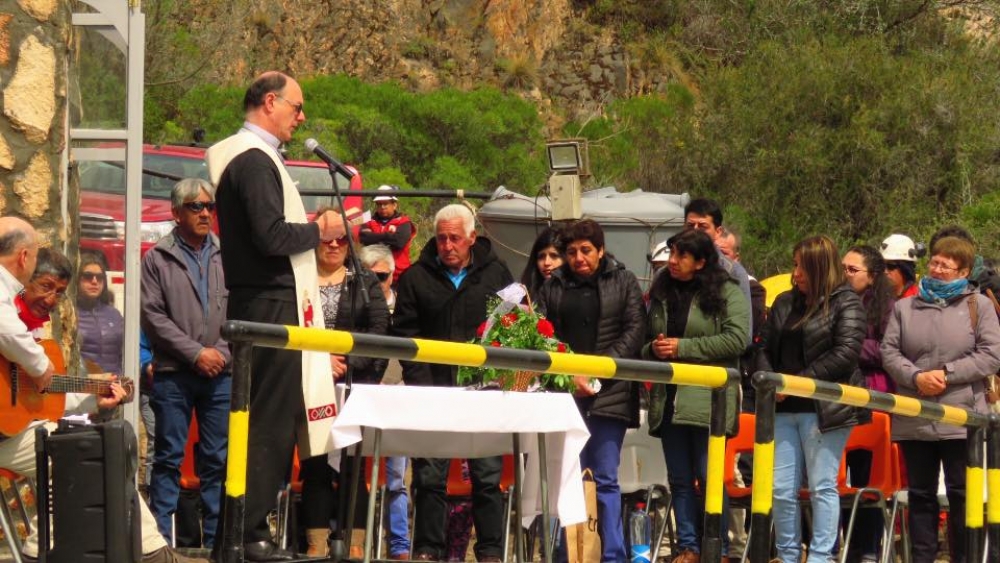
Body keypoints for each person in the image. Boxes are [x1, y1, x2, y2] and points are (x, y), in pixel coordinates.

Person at [0, 224, 205, 563]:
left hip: (11, 434)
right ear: (24, 270)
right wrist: (39, 366)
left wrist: (96, 396)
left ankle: (147, 550)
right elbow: (11, 337)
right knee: (77, 451)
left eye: (59, 292)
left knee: (95, 447)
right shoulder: (10, 312)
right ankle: (150, 555)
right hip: (8, 438)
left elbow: (43, 401)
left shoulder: (37, 333)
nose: (50, 299)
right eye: (44, 286)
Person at [205, 71, 345, 562]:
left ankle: (240, 530)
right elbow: (269, 236)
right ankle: (246, 533)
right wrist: (319, 229)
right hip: (269, 302)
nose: (301, 116)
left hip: (265, 301)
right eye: (296, 106)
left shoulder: (249, 158)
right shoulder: (252, 159)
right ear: (270, 102)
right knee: (268, 422)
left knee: (266, 419)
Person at [392, 204, 514, 562]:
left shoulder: (496, 273)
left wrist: (493, 379)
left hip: (484, 391)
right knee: (429, 476)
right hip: (433, 391)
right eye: (442, 238)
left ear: (472, 238)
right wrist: (423, 387)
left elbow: (510, 328)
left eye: (455, 238)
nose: (447, 246)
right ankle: (428, 549)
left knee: (488, 476)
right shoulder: (416, 277)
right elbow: (405, 334)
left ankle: (490, 551)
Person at [881, 236, 1000, 563]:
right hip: (914, 413)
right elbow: (888, 352)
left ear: (962, 271)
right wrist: (916, 376)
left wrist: (946, 374)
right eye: (934, 262)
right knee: (920, 495)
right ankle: (922, 558)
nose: (936, 269)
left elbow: (991, 356)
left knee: (962, 495)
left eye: (945, 265)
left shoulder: (979, 305)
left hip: (962, 418)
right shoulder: (905, 307)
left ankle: (963, 557)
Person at [535, 218, 646, 563]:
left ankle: (612, 555)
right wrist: (570, 377)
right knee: (567, 479)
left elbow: (634, 330)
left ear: (601, 250)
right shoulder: (553, 285)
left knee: (605, 479)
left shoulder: (624, 280)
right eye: (571, 252)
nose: (579, 257)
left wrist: (595, 376)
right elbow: (539, 332)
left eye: (586, 250)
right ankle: (569, 553)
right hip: (566, 395)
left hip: (608, 395)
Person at [754, 235, 867, 563]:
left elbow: (846, 353)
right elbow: (761, 347)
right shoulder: (784, 302)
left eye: (801, 266)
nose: (795, 272)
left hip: (825, 410)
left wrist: (800, 383)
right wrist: (770, 382)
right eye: (794, 265)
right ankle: (789, 556)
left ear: (818, 267)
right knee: (781, 489)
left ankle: (820, 557)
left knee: (822, 487)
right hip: (782, 406)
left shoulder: (846, 302)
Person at [643, 230, 749, 563]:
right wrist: (654, 349)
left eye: (682, 255)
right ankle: (688, 547)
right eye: (672, 253)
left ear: (701, 262)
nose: (672, 261)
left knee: (708, 476)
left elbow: (737, 340)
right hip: (669, 399)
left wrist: (682, 347)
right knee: (679, 479)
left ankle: (721, 548)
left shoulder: (727, 293)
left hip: (708, 400)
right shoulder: (661, 290)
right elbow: (647, 340)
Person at [141, 178, 231, 549]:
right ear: (176, 213)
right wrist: (195, 353)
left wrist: (221, 353)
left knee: (216, 460)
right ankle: (158, 543)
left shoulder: (228, 254)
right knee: (168, 458)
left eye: (209, 206)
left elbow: (240, 309)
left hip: (221, 373)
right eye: (196, 207)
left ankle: (215, 543)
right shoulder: (157, 258)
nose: (205, 213)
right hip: (174, 373)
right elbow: (153, 316)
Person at [299, 206, 388, 557]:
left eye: (340, 239)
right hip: (309, 387)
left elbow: (380, 333)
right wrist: (320, 362)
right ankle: (316, 545)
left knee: (353, 466)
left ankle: (354, 545)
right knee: (315, 465)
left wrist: (348, 363)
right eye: (325, 239)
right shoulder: (298, 279)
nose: (333, 245)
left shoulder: (365, 282)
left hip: (354, 387)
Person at [840, 245, 896, 562]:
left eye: (852, 270)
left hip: (873, 397)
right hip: (836, 396)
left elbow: (888, 350)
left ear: (872, 276)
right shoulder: (832, 301)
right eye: (842, 268)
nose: (845, 274)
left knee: (867, 479)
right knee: (837, 479)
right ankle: (845, 547)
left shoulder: (888, 307)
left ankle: (869, 549)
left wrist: (845, 344)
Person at [358, 244, 411, 560]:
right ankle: (350, 535)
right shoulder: (354, 304)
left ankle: (400, 546)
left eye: (383, 276)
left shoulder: (404, 309)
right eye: (370, 276)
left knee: (395, 479)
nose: (378, 282)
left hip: (394, 397)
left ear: (393, 275)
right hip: (360, 395)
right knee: (347, 473)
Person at [683, 198, 753, 342]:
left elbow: (744, 337)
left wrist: (685, 348)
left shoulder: (734, 273)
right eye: (690, 225)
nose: (695, 231)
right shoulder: (669, 270)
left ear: (718, 231)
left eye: (702, 226)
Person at [77, 250, 123, 375]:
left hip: (114, 387)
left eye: (100, 277)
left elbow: (124, 355)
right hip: (80, 388)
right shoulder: (69, 314)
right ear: (77, 279)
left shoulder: (115, 315)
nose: (94, 281)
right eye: (88, 276)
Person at [359, 185, 416, 285]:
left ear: (394, 205)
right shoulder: (368, 221)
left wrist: (374, 237)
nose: (382, 207)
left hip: (399, 277)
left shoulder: (404, 221)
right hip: (374, 275)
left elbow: (399, 242)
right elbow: (364, 238)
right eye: (379, 204)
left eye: (386, 204)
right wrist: (388, 237)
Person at [519, 226, 563, 299]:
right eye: (541, 257)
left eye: (554, 256)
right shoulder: (524, 292)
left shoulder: (573, 294)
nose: (546, 263)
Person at [880, 233, 923, 299]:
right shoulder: (875, 297)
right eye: (882, 265)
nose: (885, 271)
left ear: (905, 269)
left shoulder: (916, 302)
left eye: (890, 266)